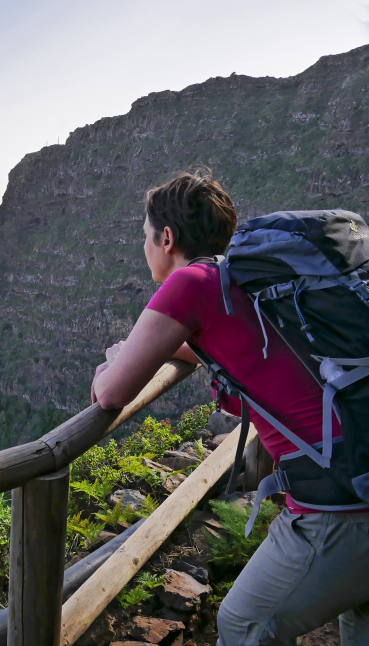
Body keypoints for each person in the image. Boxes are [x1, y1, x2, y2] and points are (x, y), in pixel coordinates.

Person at [89, 169, 369, 646]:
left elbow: (111, 394)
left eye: (146, 237)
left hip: (340, 505)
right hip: (359, 472)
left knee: (242, 624)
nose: (144, 248)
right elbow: (222, 345)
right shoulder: (243, 282)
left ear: (168, 237)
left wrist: (113, 362)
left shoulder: (191, 286)